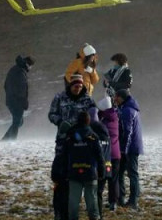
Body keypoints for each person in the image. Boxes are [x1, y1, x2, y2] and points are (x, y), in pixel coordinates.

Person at [49, 74, 98, 220]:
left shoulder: (88, 100)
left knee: (79, 176)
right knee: (61, 176)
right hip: (63, 142)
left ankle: (81, 209)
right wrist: (60, 122)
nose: (78, 88)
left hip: (81, 144)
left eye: (80, 86)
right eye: (75, 86)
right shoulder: (59, 97)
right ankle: (60, 210)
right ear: (70, 85)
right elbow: (51, 114)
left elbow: (94, 118)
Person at [64, 112, 105, 220]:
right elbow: (100, 157)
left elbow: (64, 155)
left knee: (73, 202)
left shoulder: (70, 136)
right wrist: (102, 172)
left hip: (74, 173)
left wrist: (64, 172)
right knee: (92, 202)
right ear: (88, 121)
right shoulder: (93, 136)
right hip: (90, 174)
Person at [115, 89, 143, 210]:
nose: (115, 99)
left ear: (121, 98)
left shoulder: (127, 111)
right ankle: (120, 198)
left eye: (116, 97)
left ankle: (133, 201)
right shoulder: (126, 108)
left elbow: (128, 132)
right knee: (120, 173)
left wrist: (123, 150)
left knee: (132, 174)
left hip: (130, 148)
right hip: (128, 147)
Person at [2, 55, 35, 141]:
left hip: (11, 100)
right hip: (16, 101)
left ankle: (5, 139)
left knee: (19, 122)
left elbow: (5, 85)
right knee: (17, 122)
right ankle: (12, 140)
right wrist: (23, 101)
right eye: (31, 66)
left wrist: (10, 95)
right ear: (28, 64)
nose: (30, 68)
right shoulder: (20, 72)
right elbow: (21, 89)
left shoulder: (15, 69)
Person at [97, 95, 120, 213]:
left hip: (106, 154)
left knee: (102, 178)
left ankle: (98, 200)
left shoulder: (103, 122)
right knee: (113, 180)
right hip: (116, 154)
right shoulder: (115, 118)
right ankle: (113, 202)